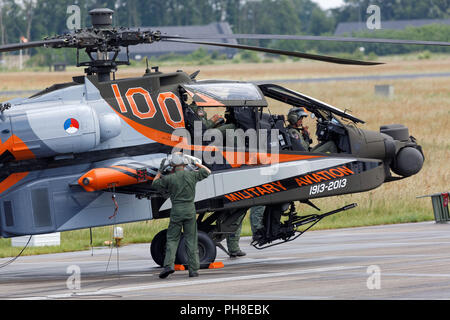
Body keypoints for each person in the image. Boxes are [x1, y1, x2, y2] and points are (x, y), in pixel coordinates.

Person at [152, 152, 211, 279]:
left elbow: (155, 184)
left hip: (176, 211)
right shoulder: (192, 175)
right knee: (191, 239)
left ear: (173, 166)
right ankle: (193, 270)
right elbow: (208, 172)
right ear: (184, 164)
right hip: (190, 210)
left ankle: (168, 266)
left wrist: (160, 171)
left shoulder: (169, 178)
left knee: (172, 239)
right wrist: (196, 163)